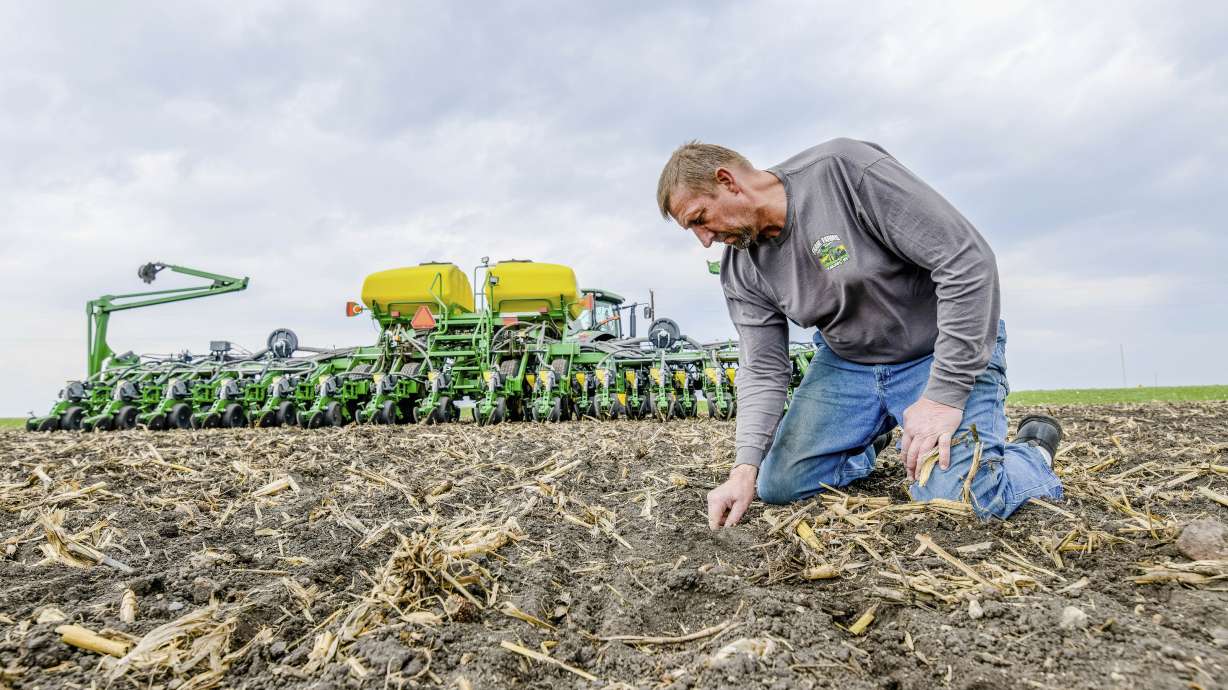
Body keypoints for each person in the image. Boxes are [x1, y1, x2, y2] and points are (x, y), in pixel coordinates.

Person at [655, 138, 1064, 529]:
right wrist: (743, 468)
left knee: (965, 500)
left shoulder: (844, 172)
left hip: (936, 352)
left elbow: (966, 261)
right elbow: (763, 368)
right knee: (778, 485)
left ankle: (1032, 451)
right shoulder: (741, 268)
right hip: (849, 364)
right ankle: (867, 437)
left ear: (728, 181)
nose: (705, 240)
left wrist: (943, 397)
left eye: (700, 219)